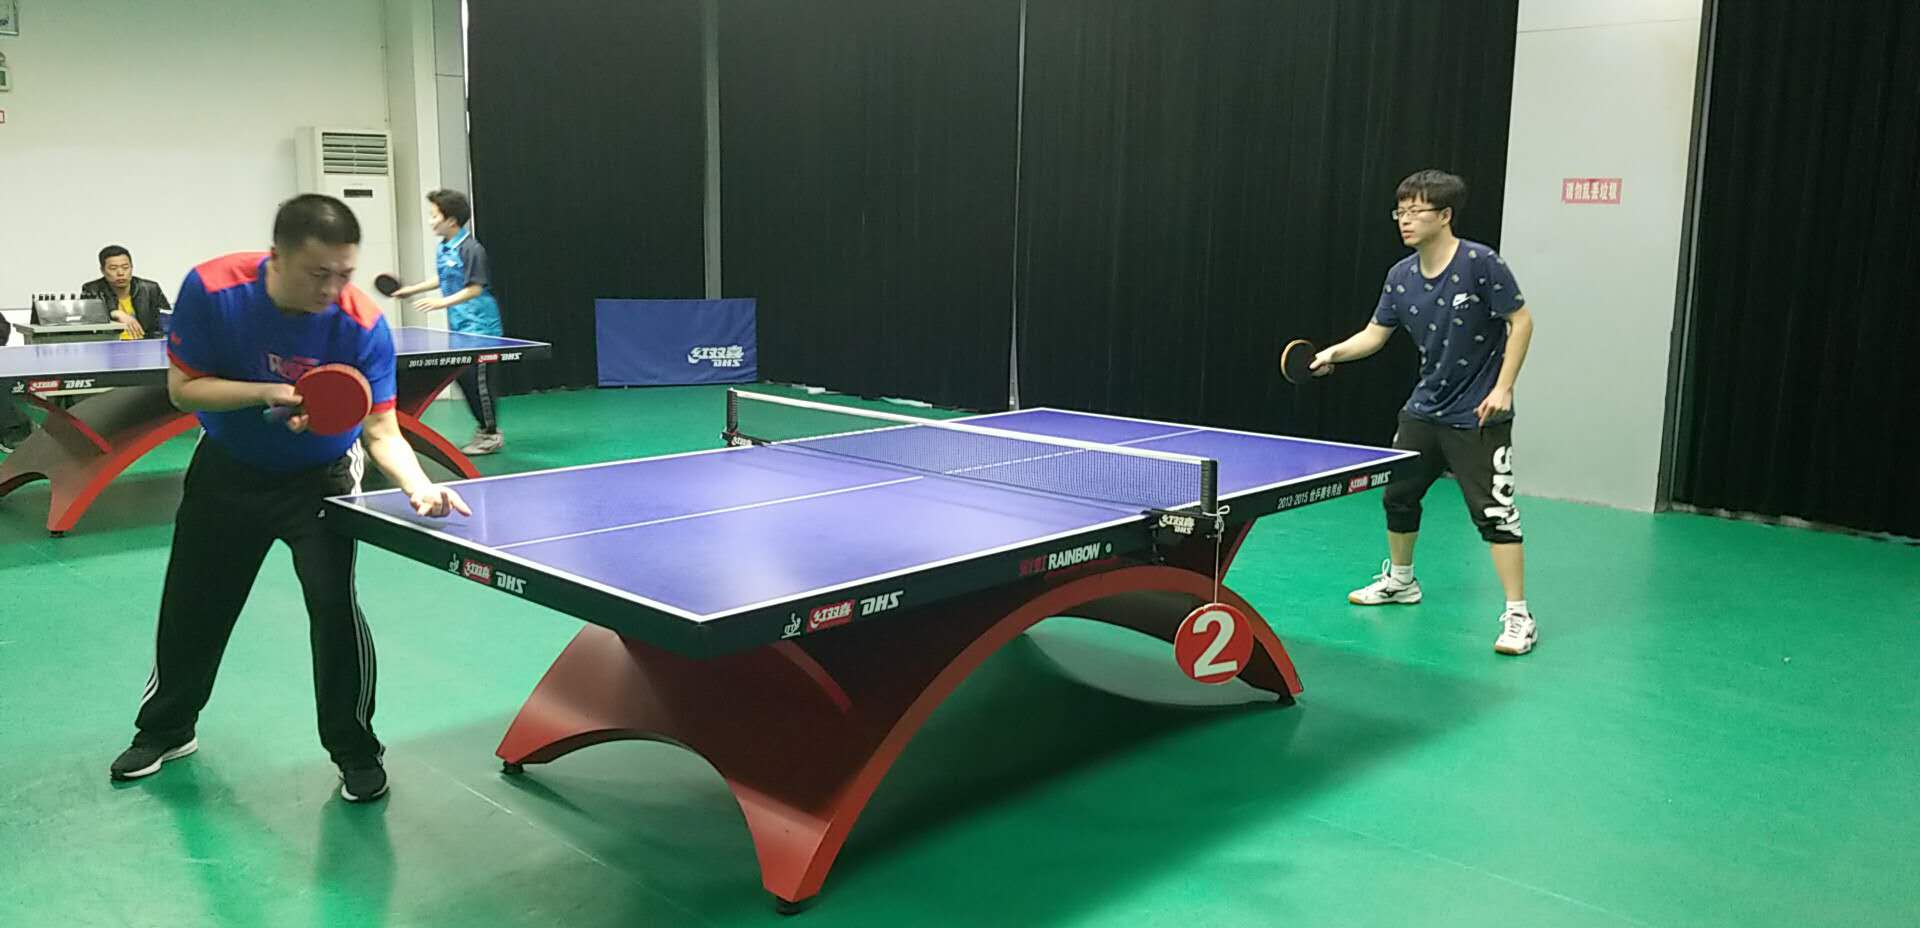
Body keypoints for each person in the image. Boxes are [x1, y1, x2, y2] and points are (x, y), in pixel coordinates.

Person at [108, 194, 471, 801]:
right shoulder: (213, 288)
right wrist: (268, 393)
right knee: (193, 602)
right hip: (227, 468)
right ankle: (168, 728)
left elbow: (382, 429)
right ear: (276, 257)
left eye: (345, 273)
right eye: (317, 273)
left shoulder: (360, 324)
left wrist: (418, 485)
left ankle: (355, 748)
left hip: (321, 480)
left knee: (334, 609)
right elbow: (183, 389)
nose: (332, 288)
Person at [1310, 169, 1539, 655]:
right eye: (1400, 211)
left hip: (1478, 412)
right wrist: (1334, 353)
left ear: (1445, 215)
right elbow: (1375, 335)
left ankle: (1519, 615)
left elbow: (1521, 321)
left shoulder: (1480, 263)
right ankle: (1401, 581)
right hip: (1424, 407)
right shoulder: (1400, 276)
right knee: (1398, 495)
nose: (1405, 220)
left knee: (1495, 513)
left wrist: (1503, 388)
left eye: (1416, 211)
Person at [389, 189, 507, 455]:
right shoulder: (444, 246)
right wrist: (413, 289)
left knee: (478, 382)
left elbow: (475, 288)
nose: (431, 221)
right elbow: (444, 278)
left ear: (451, 220)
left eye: (435, 216)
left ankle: (490, 434)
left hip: (481, 328)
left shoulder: (472, 249)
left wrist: (439, 303)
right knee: (463, 379)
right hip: (460, 326)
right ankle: (485, 427)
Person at [80, 245, 172, 339]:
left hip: (145, 342)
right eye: (113, 268)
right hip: (111, 343)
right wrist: (114, 312)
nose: (120, 273)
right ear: (102, 270)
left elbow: (167, 320)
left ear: (131, 267)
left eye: (125, 267)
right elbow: (89, 318)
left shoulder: (150, 289)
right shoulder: (92, 290)